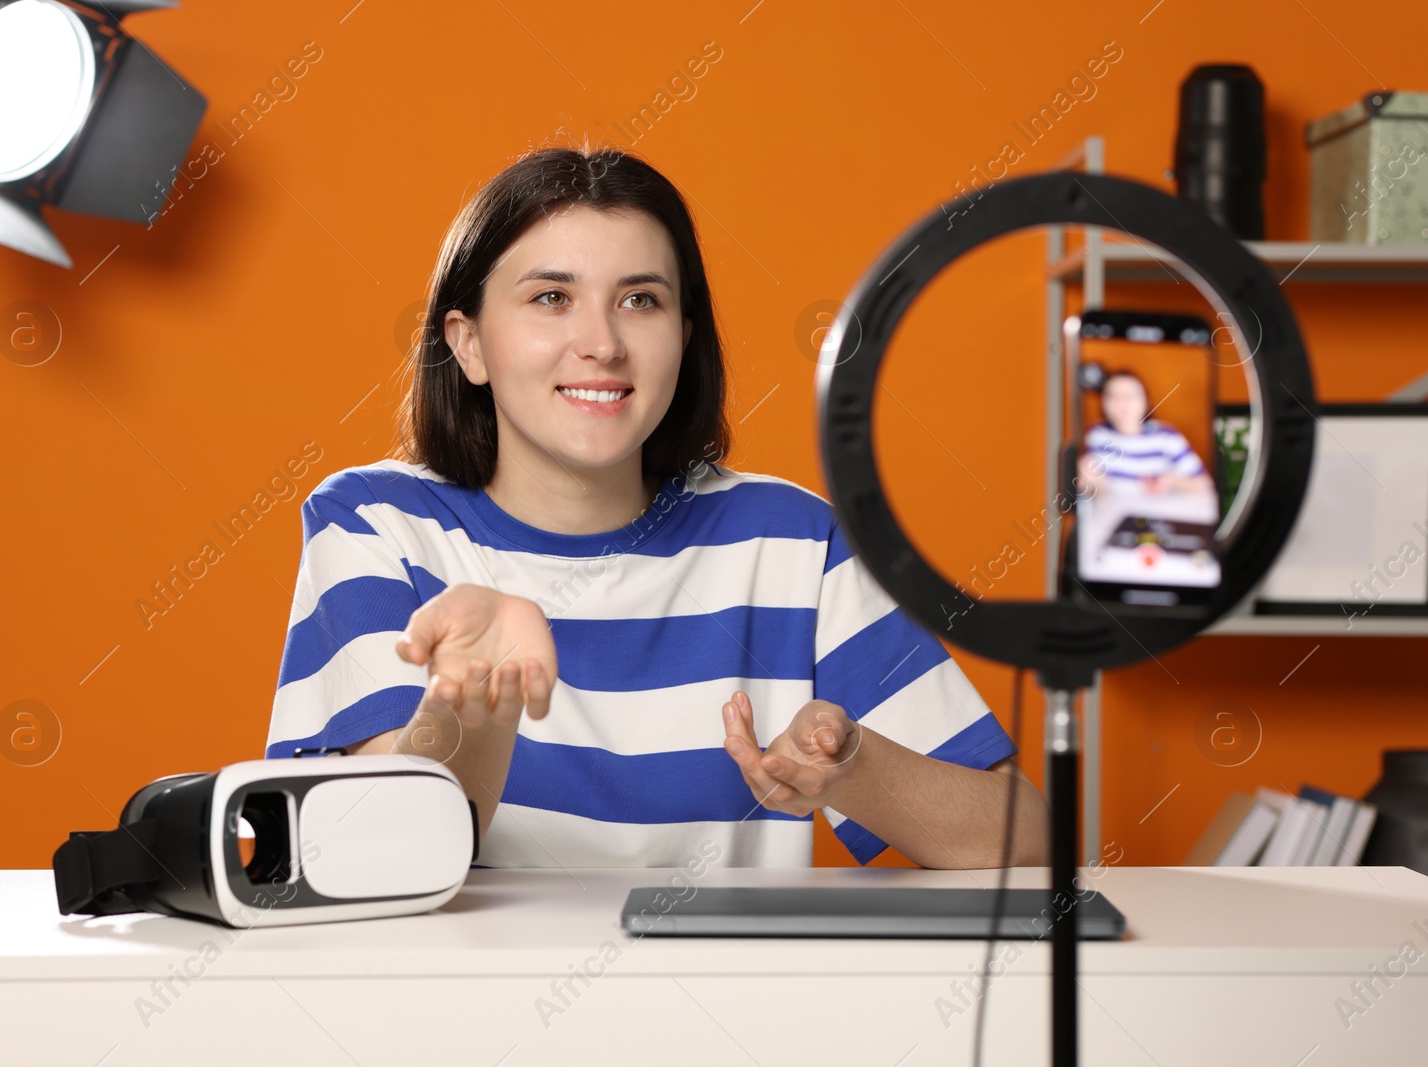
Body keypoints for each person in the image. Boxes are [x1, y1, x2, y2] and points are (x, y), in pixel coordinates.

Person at [264, 144, 1049, 869]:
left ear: (684, 335)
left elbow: (1026, 841)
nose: (601, 342)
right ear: (468, 344)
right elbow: (361, 856)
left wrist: (854, 766)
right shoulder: (374, 523)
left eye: (640, 299)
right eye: (550, 297)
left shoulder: (793, 540)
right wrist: (474, 700)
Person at [1077, 370, 1214, 498]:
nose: (1122, 403)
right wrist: (1091, 483)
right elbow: (1093, 488)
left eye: (1130, 395)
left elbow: (1205, 485)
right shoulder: (1096, 434)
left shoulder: (1166, 436)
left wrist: (1172, 482)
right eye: (1113, 396)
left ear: (1146, 401)